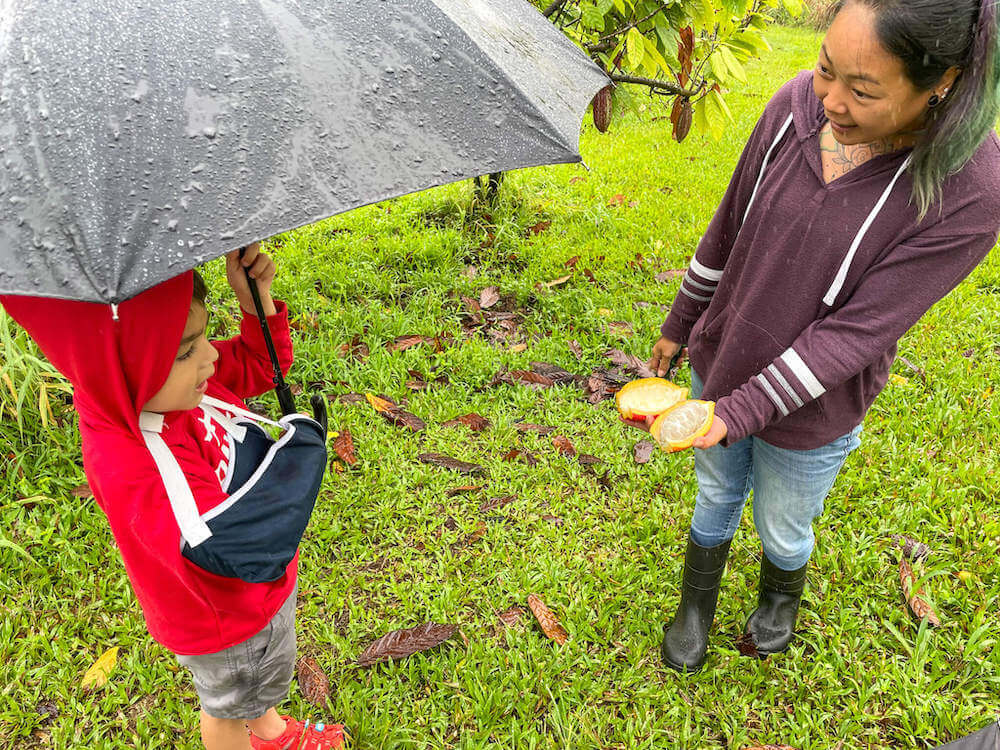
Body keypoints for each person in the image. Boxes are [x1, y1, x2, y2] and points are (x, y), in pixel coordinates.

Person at [648, 0, 1000, 672]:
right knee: (716, 490)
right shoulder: (792, 109)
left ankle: (779, 598)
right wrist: (680, 324)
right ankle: (696, 605)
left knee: (784, 519)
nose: (830, 101)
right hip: (721, 362)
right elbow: (729, 226)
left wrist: (738, 415)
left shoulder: (972, 191)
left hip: (817, 405)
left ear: (943, 80)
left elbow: (855, 334)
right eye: (824, 69)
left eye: (863, 90)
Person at [1, 245, 347, 749]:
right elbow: (231, 543)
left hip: (258, 592)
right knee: (230, 705)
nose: (209, 355)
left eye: (202, 336)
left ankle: (270, 731)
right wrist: (299, 461)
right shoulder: (140, 459)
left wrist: (257, 301)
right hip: (228, 617)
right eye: (186, 349)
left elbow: (255, 367)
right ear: (115, 366)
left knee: (257, 688)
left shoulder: (167, 386)